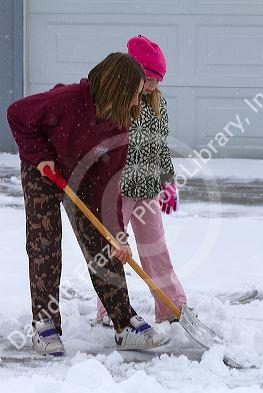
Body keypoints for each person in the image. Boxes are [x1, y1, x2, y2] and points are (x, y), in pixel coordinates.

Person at [7, 52, 170, 356]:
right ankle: (45, 325)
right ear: (119, 89)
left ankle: (124, 323)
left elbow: (109, 188)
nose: (137, 103)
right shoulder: (67, 100)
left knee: (102, 243)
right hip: (42, 169)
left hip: (81, 176)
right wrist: (41, 155)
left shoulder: (120, 125)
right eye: (135, 94)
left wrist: (117, 234)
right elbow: (17, 114)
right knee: (45, 243)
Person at [97, 37, 187, 326]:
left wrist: (168, 181)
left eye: (157, 81)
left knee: (156, 252)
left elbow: (161, 146)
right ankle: (110, 311)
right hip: (118, 192)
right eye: (148, 79)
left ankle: (173, 308)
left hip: (147, 190)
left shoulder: (159, 104)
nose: (151, 86)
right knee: (111, 252)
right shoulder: (117, 105)